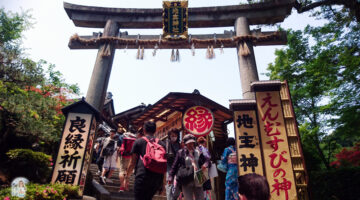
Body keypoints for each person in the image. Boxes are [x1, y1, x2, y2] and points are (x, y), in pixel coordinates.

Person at [126, 121, 166, 200]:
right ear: (155, 130)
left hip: (142, 176)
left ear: (144, 130)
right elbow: (164, 165)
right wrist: (163, 184)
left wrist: (127, 176)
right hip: (156, 179)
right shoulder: (162, 144)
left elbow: (132, 162)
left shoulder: (138, 142)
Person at [169, 134, 211, 200]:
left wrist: (205, 164)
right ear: (185, 144)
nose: (191, 145)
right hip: (186, 179)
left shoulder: (198, 151)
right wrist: (171, 176)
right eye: (189, 143)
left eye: (192, 143)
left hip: (199, 178)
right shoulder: (180, 153)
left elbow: (207, 160)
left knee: (200, 198)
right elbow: (174, 165)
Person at [118, 126, 137, 192]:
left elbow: (119, 146)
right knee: (128, 172)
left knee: (122, 170)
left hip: (124, 155)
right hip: (132, 156)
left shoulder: (123, 136)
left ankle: (122, 187)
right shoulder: (136, 138)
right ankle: (126, 186)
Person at [165, 128, 181, 200]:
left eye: (175, 135)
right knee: (169, 183)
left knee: (178, 183)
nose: (173, 137)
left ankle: (174, 198)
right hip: (169, 166)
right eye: (172, 135)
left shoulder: (180, 145)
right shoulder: (166, 143)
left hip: (178, 167)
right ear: (169, 136)